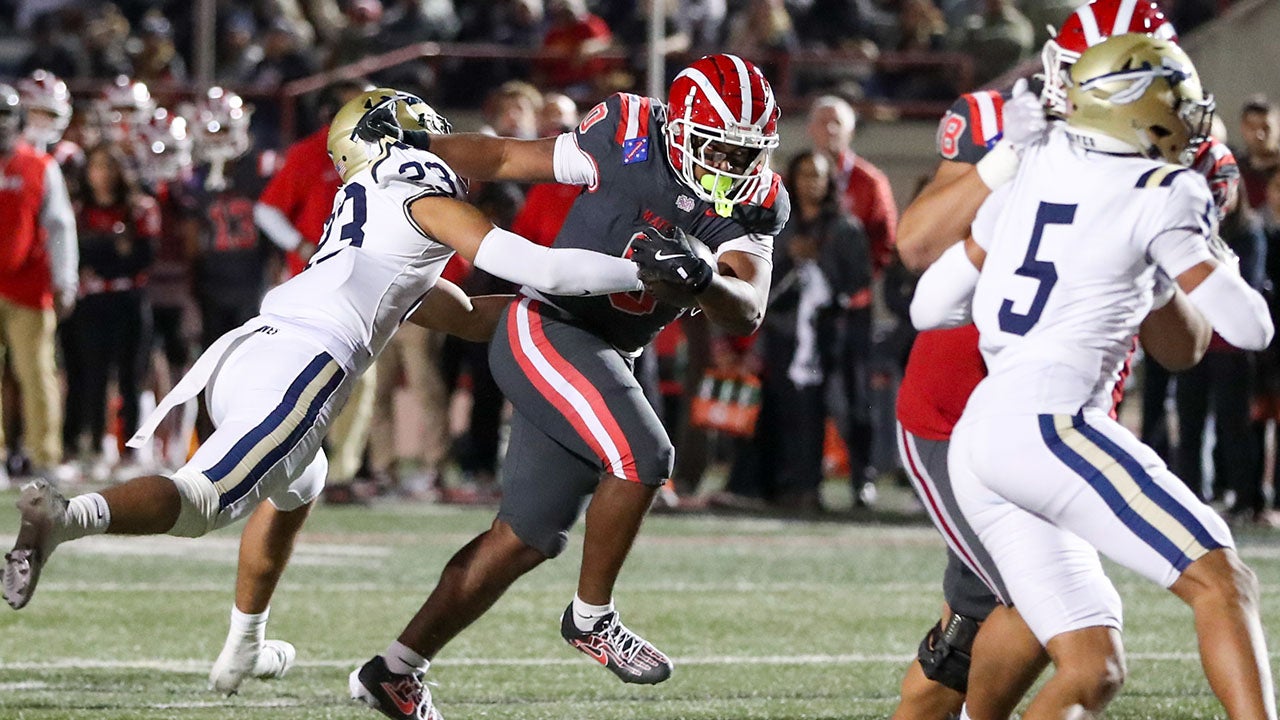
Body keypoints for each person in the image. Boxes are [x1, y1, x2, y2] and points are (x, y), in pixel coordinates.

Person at [1, 88, 649, 704]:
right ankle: (67, 517)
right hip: (306, 361)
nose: (447, 143)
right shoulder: (416, 189)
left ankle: (246, 643)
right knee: (204, 501)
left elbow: (470, 316)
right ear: (401, 136)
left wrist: (580, 316)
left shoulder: (368, 215)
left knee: (301, 480)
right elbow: (540, 265)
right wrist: (643, 274)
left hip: (249, 351)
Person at [348, 53, 789, 719]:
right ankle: (592, 618)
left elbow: (747, 308)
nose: (731, 164)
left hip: (609, 352)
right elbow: (504, 157)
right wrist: (418, 146)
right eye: (718, 146)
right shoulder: (627, 136)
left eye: (745, 151)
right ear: (679, 130)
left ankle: (394, 670)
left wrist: (704, 281)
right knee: (644, 457)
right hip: (549, 325)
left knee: (524, 537)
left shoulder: (757, 201)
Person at [910, 34, 1275, 720]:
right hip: (1051, 423)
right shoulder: (1165, 191)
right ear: (1138, 107)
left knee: (1093, 666)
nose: (1189, 116)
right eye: (1178, 101)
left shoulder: (1037, 164)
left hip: (981, 434)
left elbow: (929, 306)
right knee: (1223, 581)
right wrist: (1197, 251)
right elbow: (1250, 327)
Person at [0, 83, 78, 486]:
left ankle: (44, 456)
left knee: (37, 375)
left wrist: (66, 279)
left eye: (4, 117)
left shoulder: (39, 165)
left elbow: (60, 225)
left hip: (29, 287)